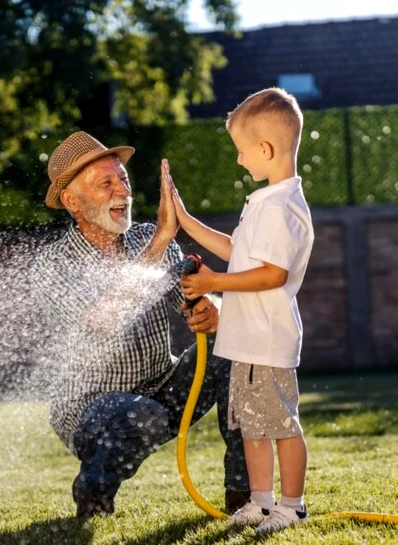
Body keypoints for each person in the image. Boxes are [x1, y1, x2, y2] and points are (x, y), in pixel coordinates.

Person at [31, 130, 249, 520]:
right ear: (71, 201)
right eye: (107, 183)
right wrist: (163, 239)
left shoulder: (148, 238)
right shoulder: (54, 264)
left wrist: (210, 310)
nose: (123, 191)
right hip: (91, 409)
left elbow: (192, 297)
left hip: (162, 388)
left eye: (124, 180)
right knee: (141, 414)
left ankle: (244, 497)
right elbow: (103, 319)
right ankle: (92, 492)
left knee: (235, 349)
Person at [164, 87, 314, 534]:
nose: (238, 160)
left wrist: (212, 283)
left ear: (265, 149)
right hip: (248, 341)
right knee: (251, 428)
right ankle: (261, 502)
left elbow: (271, 274)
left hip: (267, 341)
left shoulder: (279, 207)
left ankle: (292, 505)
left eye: (241, 151)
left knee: (282, 426)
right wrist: (187, 222)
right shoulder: (266, 202)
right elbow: (237, 252)